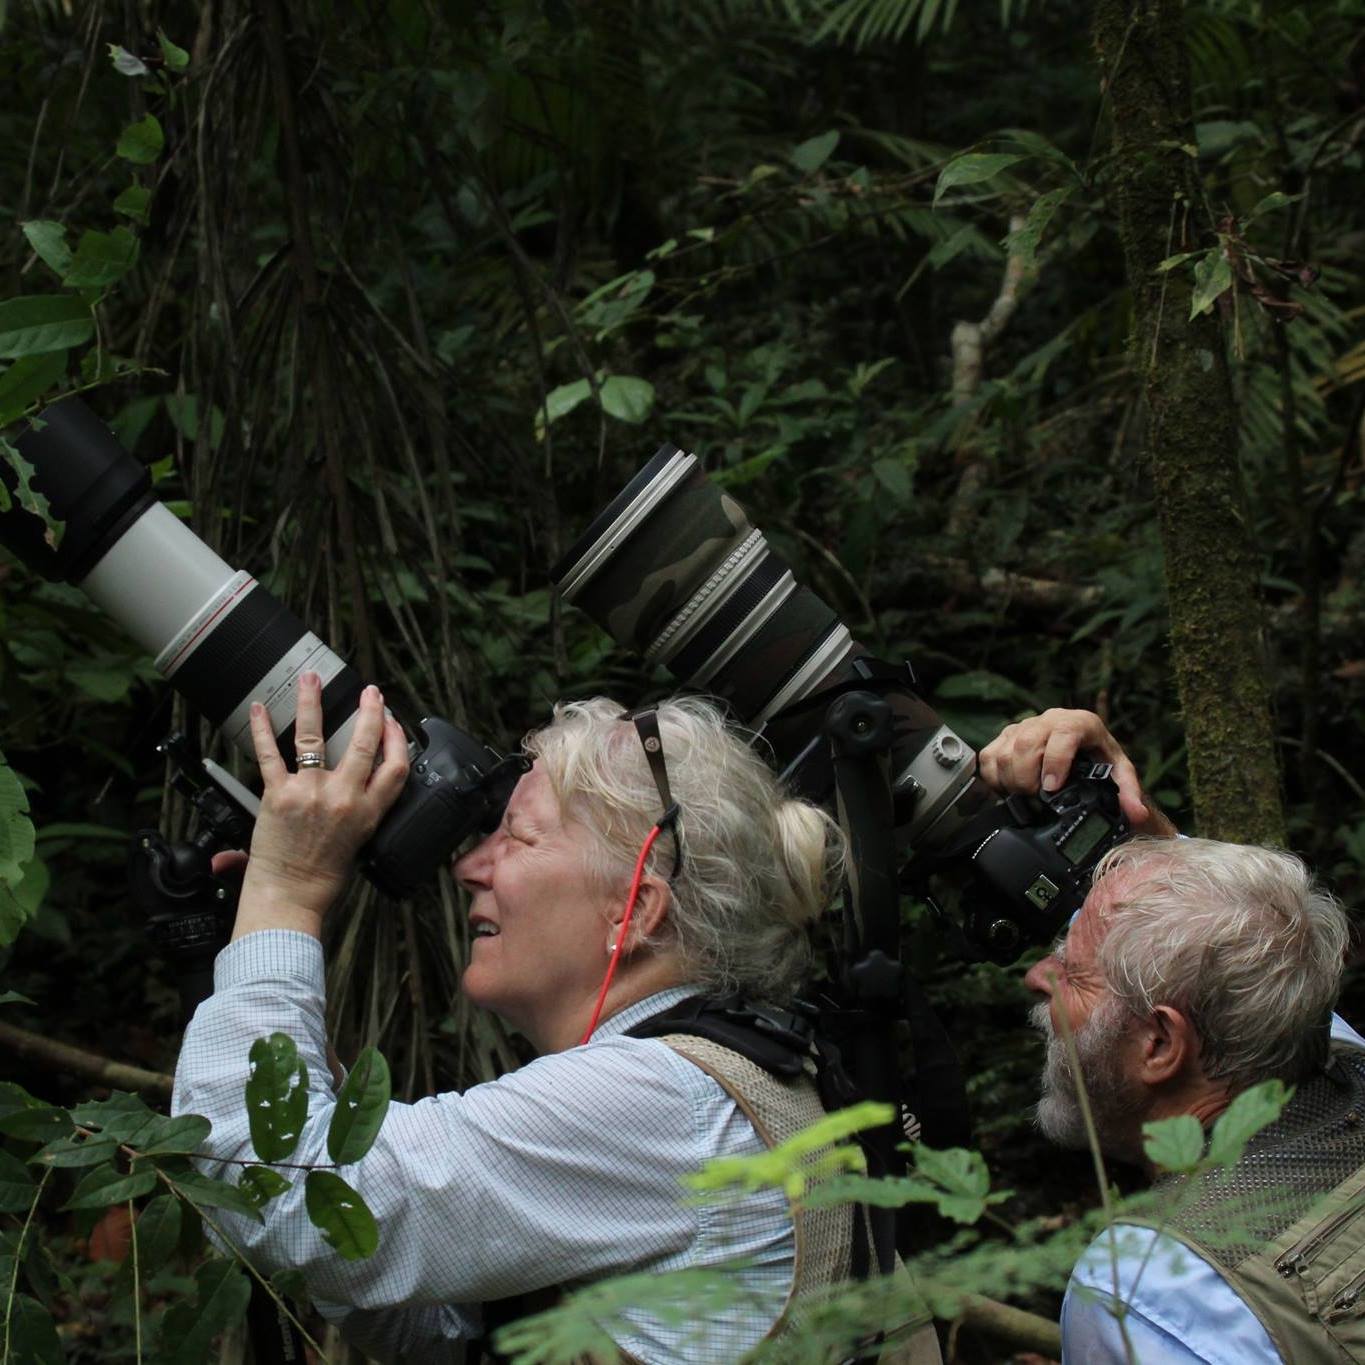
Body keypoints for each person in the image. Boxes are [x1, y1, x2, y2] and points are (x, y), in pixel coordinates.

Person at [173, 673, 941, 1363]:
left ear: (635, 906)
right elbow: (443, 1328)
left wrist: (287, 887)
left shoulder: (659, 1101)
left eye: (518, 835)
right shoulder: (732, 1078)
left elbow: (271, 1193)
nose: (468, 864)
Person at [980, 710, 1365, 1364]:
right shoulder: (1337, 1055)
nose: (1036, 977)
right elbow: (1235, 942)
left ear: (1159, 1044)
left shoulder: (1147, 1290)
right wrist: (1126, 814)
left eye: (1071, 968)